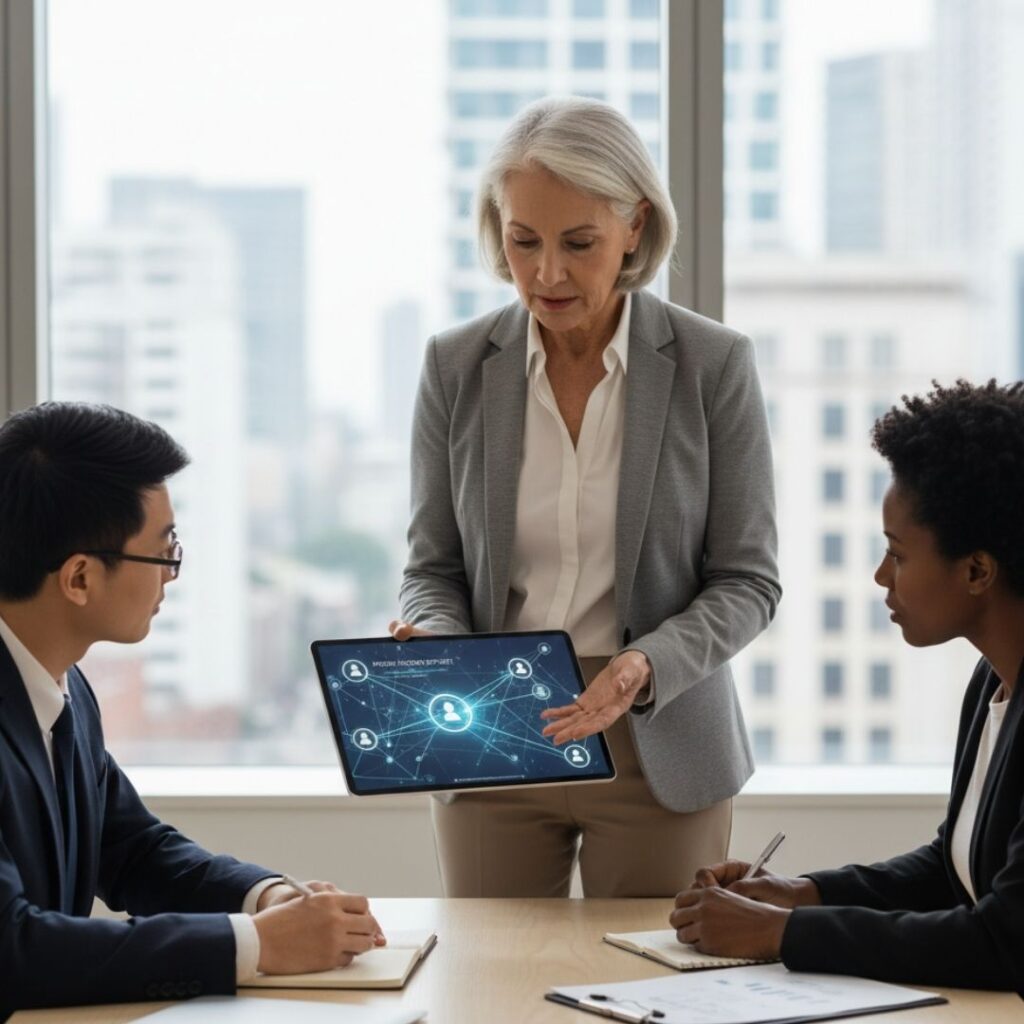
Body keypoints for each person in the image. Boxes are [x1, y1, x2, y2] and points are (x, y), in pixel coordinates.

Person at [391, 96, 781, 898]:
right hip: (496, 732)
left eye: (579, 243)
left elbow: (749, 582)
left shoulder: (714, 365)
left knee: (650, 989)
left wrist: (641, 666)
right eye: (523, 240)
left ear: (635, 227)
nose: (547, 274)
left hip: (659, 735)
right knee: (492, 991)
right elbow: (432, 566)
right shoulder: (454, 366)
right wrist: (438, 642)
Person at [0, 402, 385, 1018]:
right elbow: (11, 949)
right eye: (163, 550)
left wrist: (266, 899)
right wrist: (258, 945)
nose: (172, 575)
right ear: (79, 579)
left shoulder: (58, 682)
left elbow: (130, 848)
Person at [670, 380, 1024, 995]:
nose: (881, 575)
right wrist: (803, 892)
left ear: (976, 571)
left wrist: (781, 932)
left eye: (898, 554)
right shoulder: (993, 681)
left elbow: (1004, 941)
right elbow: (953, 868)